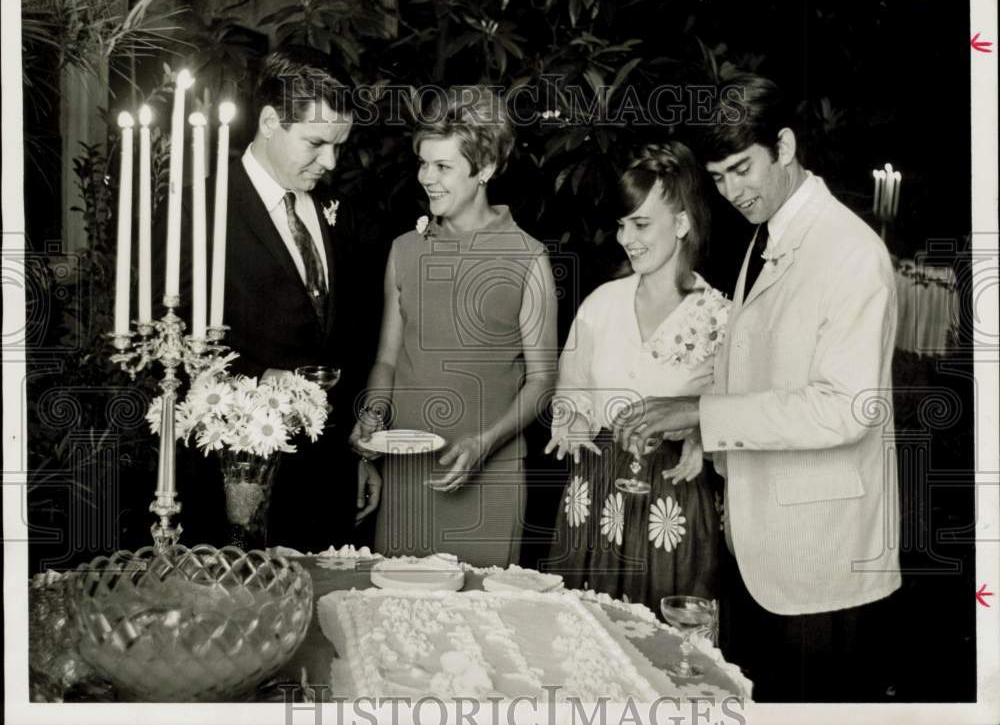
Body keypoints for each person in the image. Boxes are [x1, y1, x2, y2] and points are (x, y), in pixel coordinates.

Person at [613, 75, 900, 701]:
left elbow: (845, 409)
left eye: (743, 169)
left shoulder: (851, 251)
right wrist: (706, 440)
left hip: (821, 565)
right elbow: (755, 368)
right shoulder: (765, 239)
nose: (733, 192)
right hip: (758, 552)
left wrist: (701, 412)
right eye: (718, 178)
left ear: (787, 146)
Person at [154, 46, 380, 552]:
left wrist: (361, 457)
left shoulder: (339, 207)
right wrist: (258, 383)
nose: (330, 162)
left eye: (339, 145)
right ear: (272, 120)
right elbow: (168, 350)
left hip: (327, 484)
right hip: (236, 480)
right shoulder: (198, 211)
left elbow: (353, 336)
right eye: (316, 143)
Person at [350, 86, 558, 568]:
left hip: (491, 476)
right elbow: (386, 359)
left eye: (443, 167)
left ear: (484, 169)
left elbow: (544, 379)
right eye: (423, 163)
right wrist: (372, 423)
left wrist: (485, 443)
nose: (427, 177)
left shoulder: (529, 258)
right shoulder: (405, 249)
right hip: (409, 472)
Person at [542, 143, 728, 610]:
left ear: (683, 223)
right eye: (623, 223)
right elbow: (571, 392)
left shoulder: (721, 318)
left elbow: (742, 415)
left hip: (672, 504)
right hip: (594, 494)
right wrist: (573, 421)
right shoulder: (601, 304)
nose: (627, 237)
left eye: (641, 223)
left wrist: (705, 436)